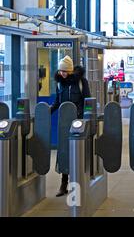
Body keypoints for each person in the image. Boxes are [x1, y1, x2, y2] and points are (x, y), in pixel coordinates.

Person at [50, 56, 91, 197]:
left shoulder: (81, 82)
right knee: (64, 152)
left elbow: (87, 101)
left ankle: (79, 182)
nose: (62, 73)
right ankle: (64, 183)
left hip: (78, 123)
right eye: (60, 71)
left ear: (71, 70)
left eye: (65, 71)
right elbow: (57, 103)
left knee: (78, 152)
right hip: (64, 124)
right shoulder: (59, 84)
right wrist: (45, 112)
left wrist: (86, 119)